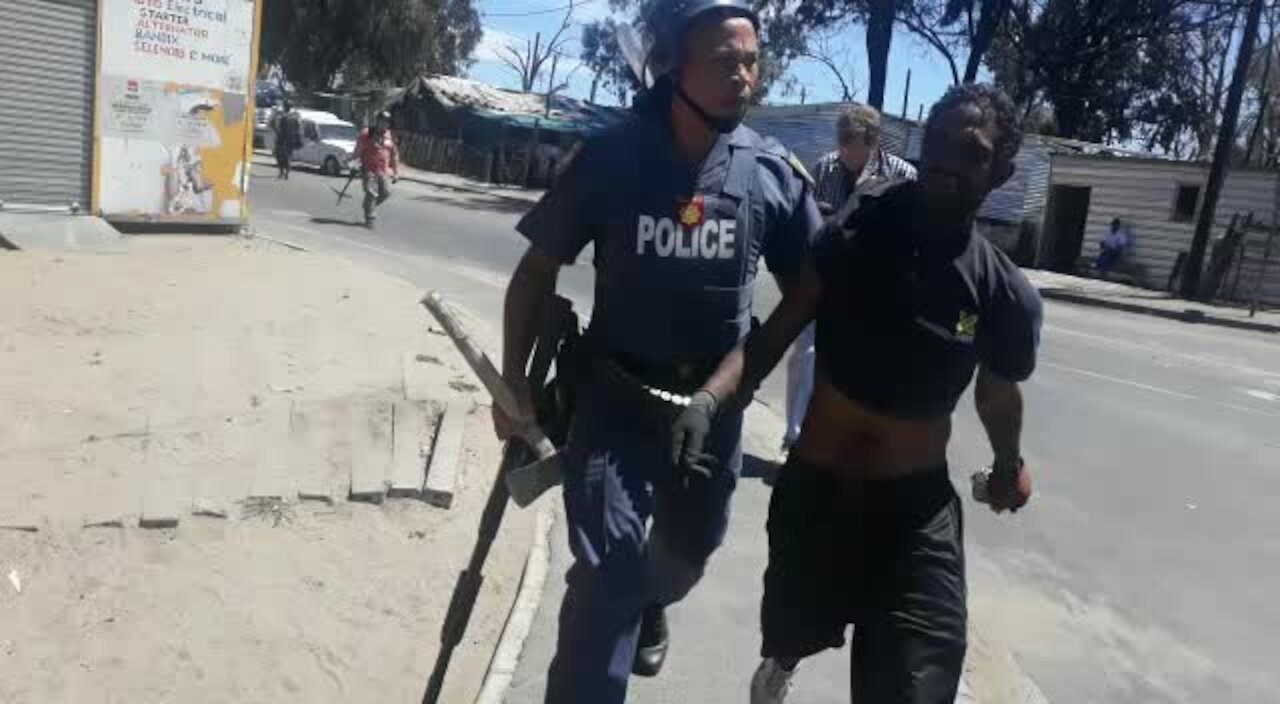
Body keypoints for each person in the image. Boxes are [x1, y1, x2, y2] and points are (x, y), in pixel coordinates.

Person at [493, 2, 821, 702]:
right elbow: (535, 273)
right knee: (608, 570)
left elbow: (806, 296)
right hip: (614, 405)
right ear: (674, 70)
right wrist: (515, 381)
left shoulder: (770, 173)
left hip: (711, 420)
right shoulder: (613, 159)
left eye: (751, 60)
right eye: (724, 60)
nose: (744, 75)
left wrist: (735, 383)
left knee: (684, 560)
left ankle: (651, 603)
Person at [677, 83, 1041, 703]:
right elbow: (782, 328)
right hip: (819, 492)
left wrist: (1009, 465)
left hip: (915, 516)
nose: (947, 159)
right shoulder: (861, 225)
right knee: (796, 623)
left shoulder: (1003, 293)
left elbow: (997, 396)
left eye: (971, 152)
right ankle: (783, 661)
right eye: (940, 141)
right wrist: (709, 400)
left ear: (1001, 171)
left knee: (914, 687)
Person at [783, 104, 917, 454]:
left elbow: (913, 231)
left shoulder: (901, 175)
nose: (843, 149)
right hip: (825, 275)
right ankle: (795, 437)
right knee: (807, 352)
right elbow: (809, 218)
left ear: (872, 142)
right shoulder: (824, 168)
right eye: (840, 140)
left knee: (866, 361)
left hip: (875, 283)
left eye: (850, 141)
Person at [354, 111, 401, 228]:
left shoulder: (390, 136)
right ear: (377, 121)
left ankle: (368, 206)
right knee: (371, 193)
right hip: (368, 169)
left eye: (386, 122)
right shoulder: (368, 133)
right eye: (381, 121)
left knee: (385, 193)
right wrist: (352, 160)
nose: (383, 124)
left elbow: (394, 155)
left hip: (383, 170)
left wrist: (396, 172)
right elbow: (358, 150)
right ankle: (370, 218)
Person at [272, 102, 301, 180]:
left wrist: (277, 132)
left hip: (282, 140)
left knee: (280, 156)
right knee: (288, 156)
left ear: (285, 107)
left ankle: (281, 172)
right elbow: (298, 130)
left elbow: (279, 129)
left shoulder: (283, 117)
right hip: (291, 141)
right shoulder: (295, 117)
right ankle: (287, 173)